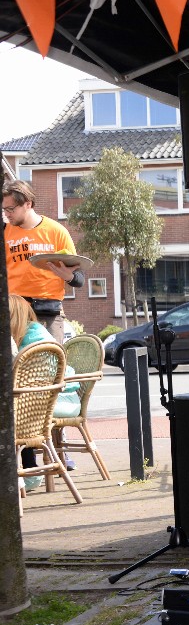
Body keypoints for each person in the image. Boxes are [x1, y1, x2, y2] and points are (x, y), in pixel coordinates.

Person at [10, 294, 82, 483]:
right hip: (48, 399)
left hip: (56, 401)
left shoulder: (27, 341)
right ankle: (28, 470)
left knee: (14, 411)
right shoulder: (37, 333)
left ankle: (25, 472)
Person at [3, 180, 85, 341]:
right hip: (15, 311)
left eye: (11, 209)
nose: (6, 213)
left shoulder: (57, 232)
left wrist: (68, 276)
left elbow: (80, 279)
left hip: (49, 313)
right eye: (4, 209)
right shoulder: (4, 232)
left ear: (28, 204)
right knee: (14, 363)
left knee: (52, 363)